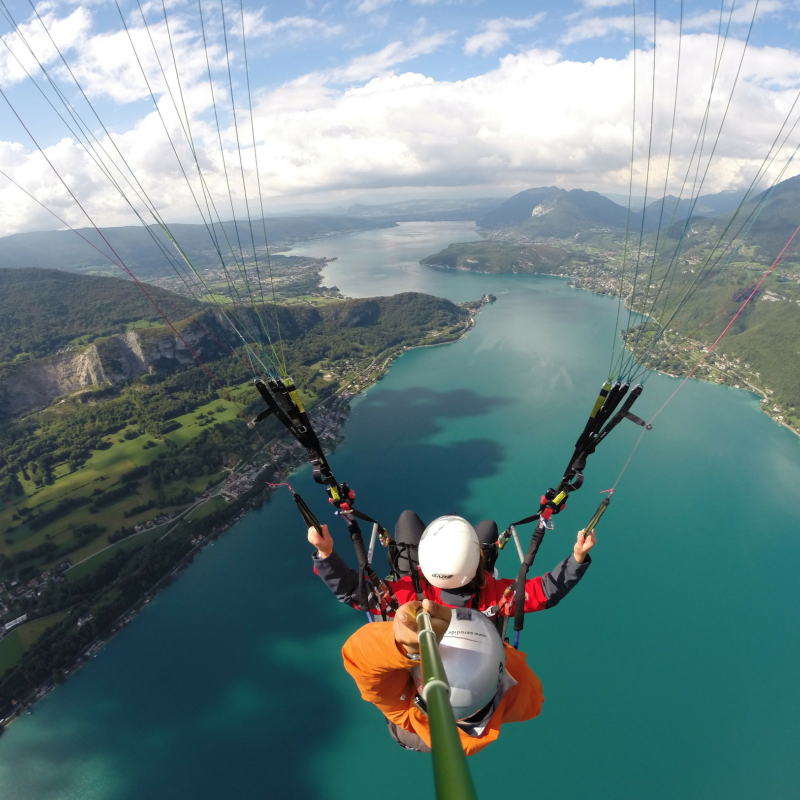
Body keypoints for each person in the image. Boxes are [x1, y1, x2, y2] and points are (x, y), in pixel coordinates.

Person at [342, 597, 545, 754]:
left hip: (413, 734)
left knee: (401, 725)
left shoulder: (403, 709)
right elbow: (534, 701)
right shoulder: (519, 688)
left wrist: (405, 647)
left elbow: (360, 658)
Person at [309, 510, 595, 619]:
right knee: (488, 527)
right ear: (478, 563)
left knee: (407, 518)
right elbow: (547, 591)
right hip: (463, 590)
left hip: (417, 588)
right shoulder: (495, 597)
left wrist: (326, 553)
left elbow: (351, 591)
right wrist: (577, 557)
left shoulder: (405, 596)